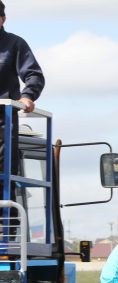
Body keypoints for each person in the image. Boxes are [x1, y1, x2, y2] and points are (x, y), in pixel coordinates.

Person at [0, 2, 45, 195]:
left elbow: (34, 75)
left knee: (3, 176)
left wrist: (27, 97)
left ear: (2, 19)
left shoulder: (14, 44)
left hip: (3, 123)